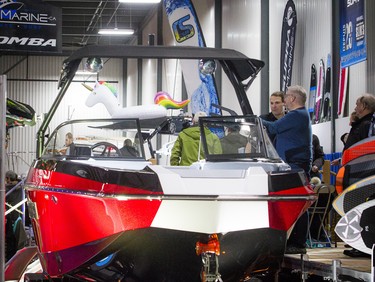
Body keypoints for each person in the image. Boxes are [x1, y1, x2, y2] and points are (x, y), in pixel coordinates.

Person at [261, 85, 312, 254]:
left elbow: (274, 127)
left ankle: (298, 243)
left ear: (292, 99)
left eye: (286, 96)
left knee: (298, 202)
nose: (284, 100)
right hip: (291, 163)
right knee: (293, 201)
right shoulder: (298, 116)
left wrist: (255, 120)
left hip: (295, 164)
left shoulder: (297, 115)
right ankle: (293, 240)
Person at [334, 94, 375, 258]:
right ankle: (358, 244)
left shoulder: (367, 125)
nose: (355, 108)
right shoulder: (362, 124)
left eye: (357, 104)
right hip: (357, 171)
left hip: (362, 174)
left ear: (364, 106)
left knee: (359, 207)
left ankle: (363, 244)